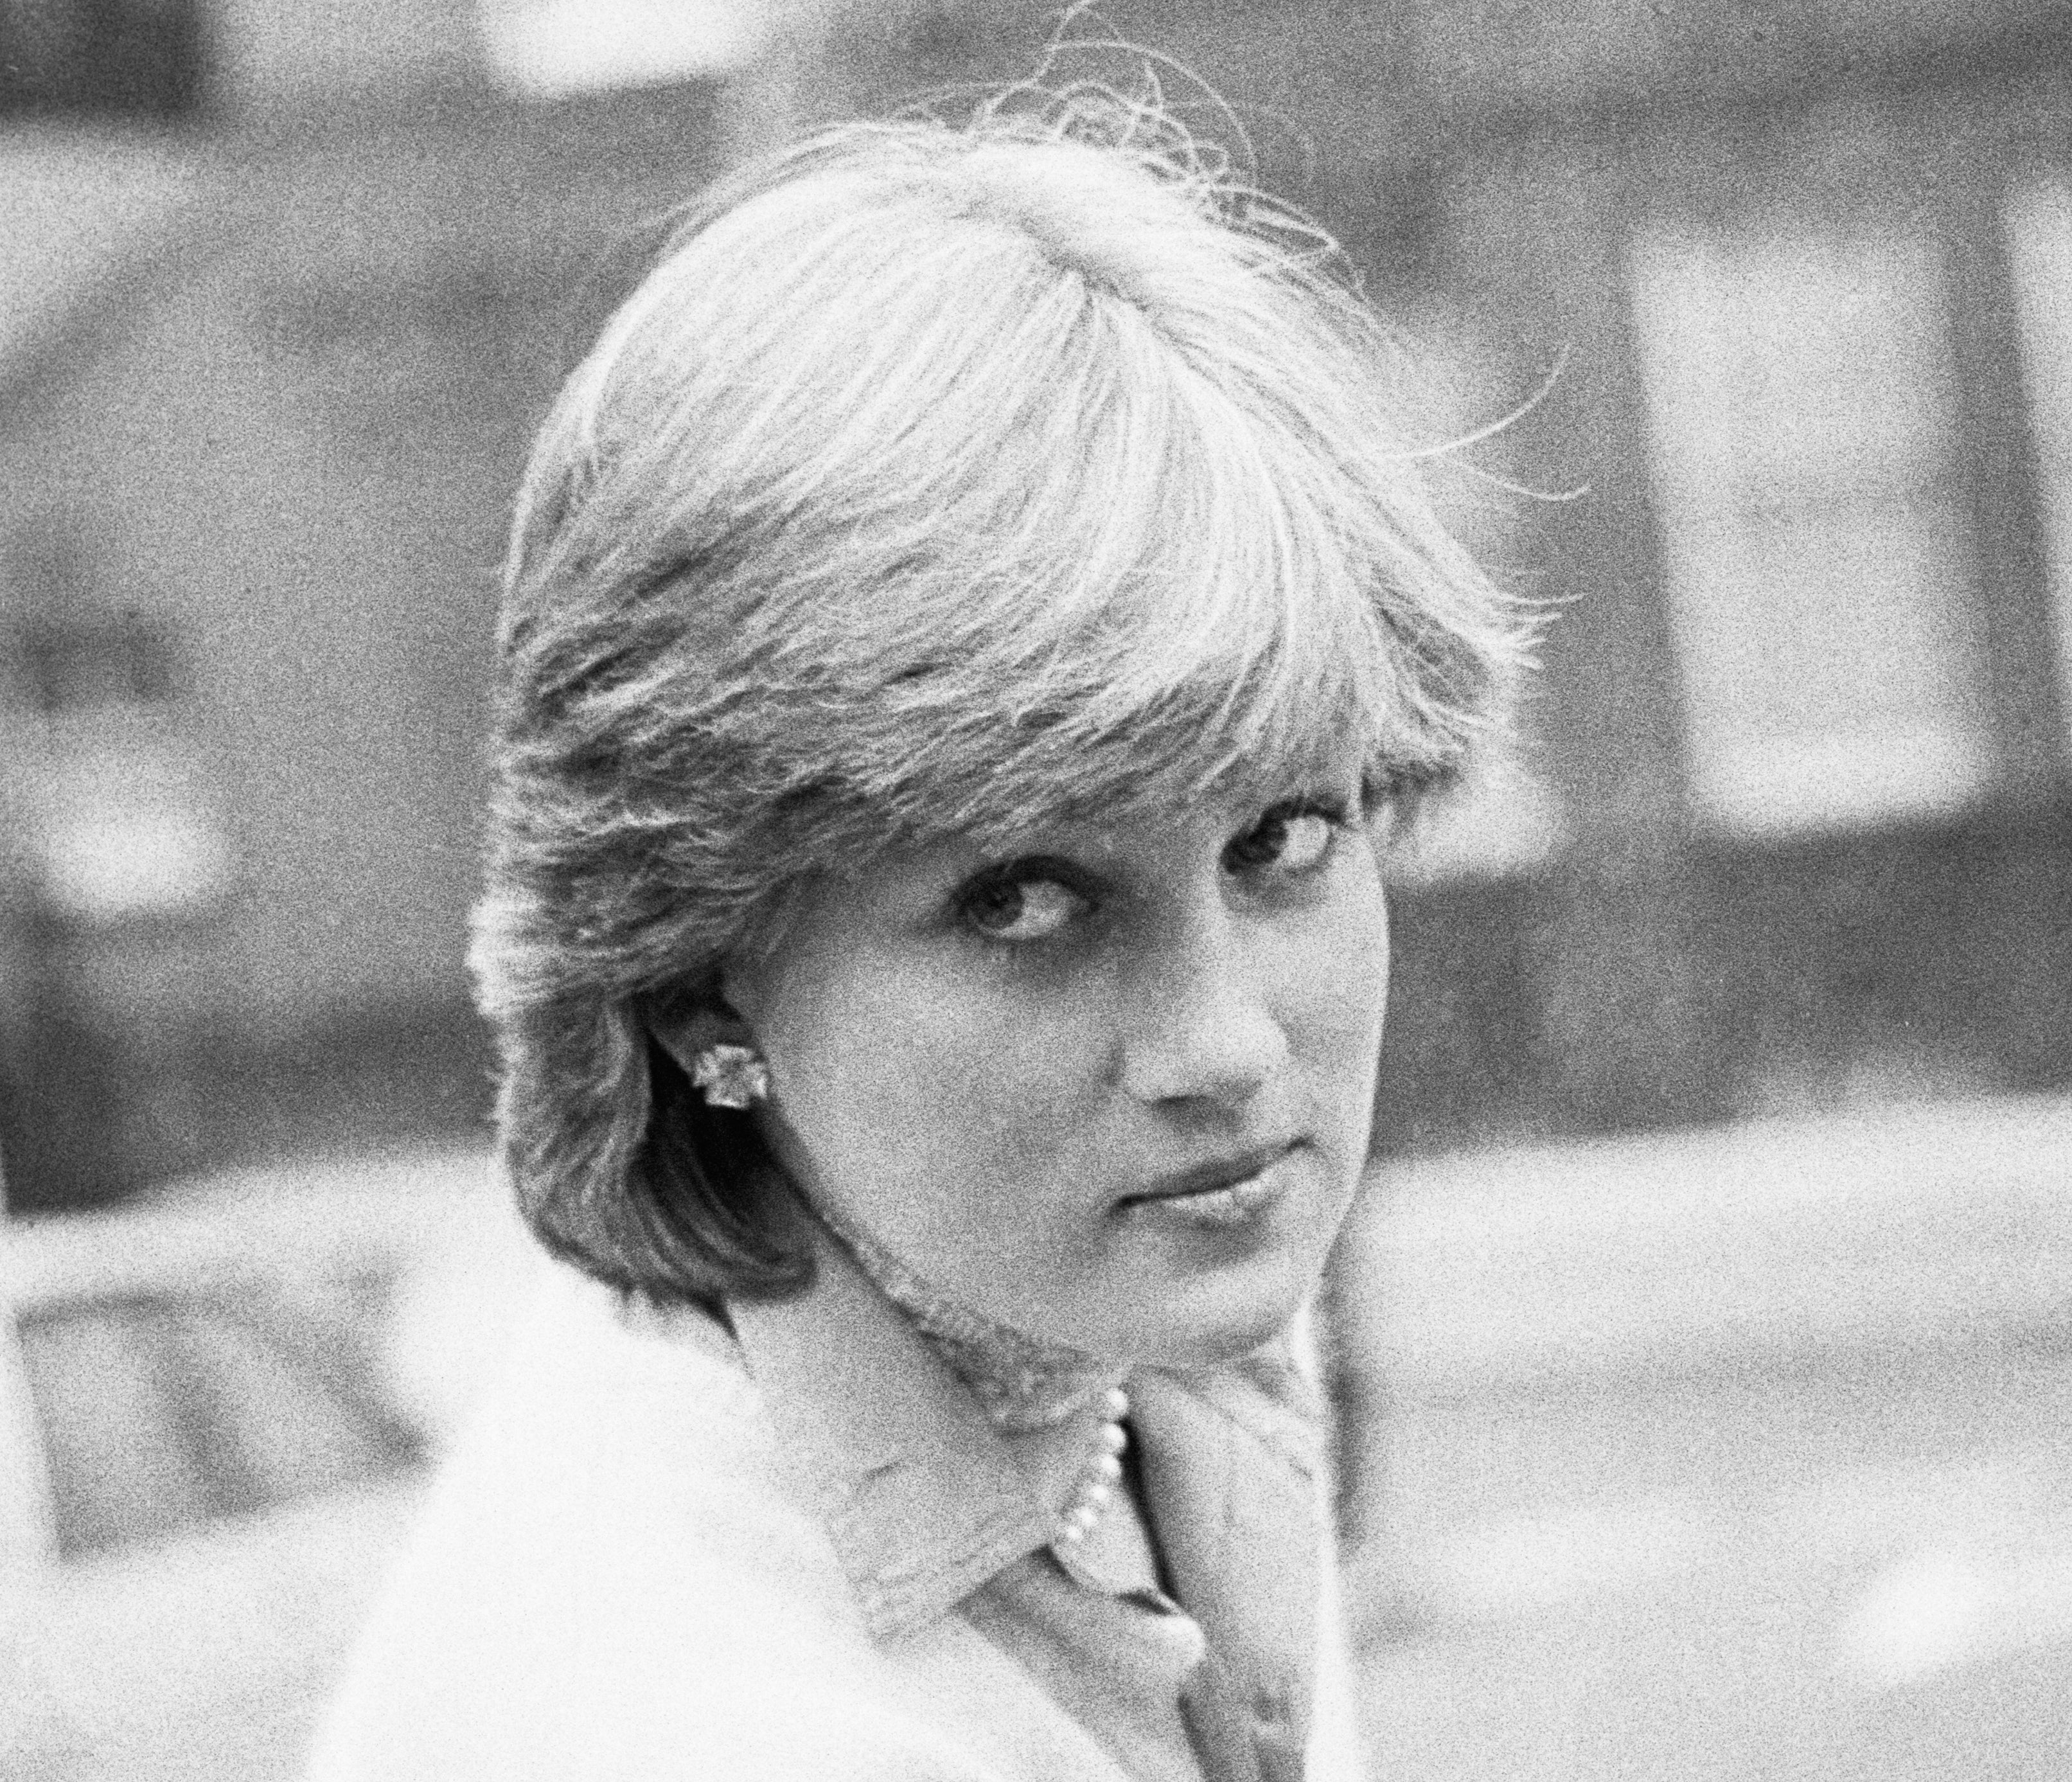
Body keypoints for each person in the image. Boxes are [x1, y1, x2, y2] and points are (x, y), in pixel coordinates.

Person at [309, 85, 1526, 1782]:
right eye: (1023, 897)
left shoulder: (1098, 1323)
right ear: (685, 978)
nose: (1228, 1044)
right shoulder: (679, 1711)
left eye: (1278, 837)